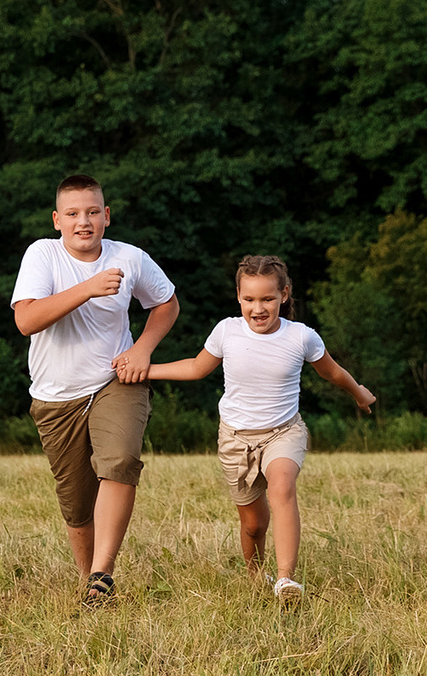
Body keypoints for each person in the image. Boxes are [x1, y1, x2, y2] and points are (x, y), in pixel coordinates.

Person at [147, 255, 373, 601]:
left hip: (283, 431)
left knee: (282, 487)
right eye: (249, 299)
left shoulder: (301, 337)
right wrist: (144, 370)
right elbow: (195, 368)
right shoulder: (226, 331)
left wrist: (359, 394)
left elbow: (332, 373)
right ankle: (256, 575)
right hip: (236, 438)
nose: (258, 308)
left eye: (267, 299)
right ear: (238, 296)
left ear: (284, 294)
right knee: (254, 525)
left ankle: (286, 580)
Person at [11, 174, 180, 609]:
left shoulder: (130, 257)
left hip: (116, 380)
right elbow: (27, 321)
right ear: (57, 220)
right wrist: (88, 287)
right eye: (72, 214)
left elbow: (167, 303)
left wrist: (142, 349)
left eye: (91, 212)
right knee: (76, 505)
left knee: (121, 461)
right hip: (56, 395)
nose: (82, 222)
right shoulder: (42, 255)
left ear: (106, 216)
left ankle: (102, 574)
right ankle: (90, 584)